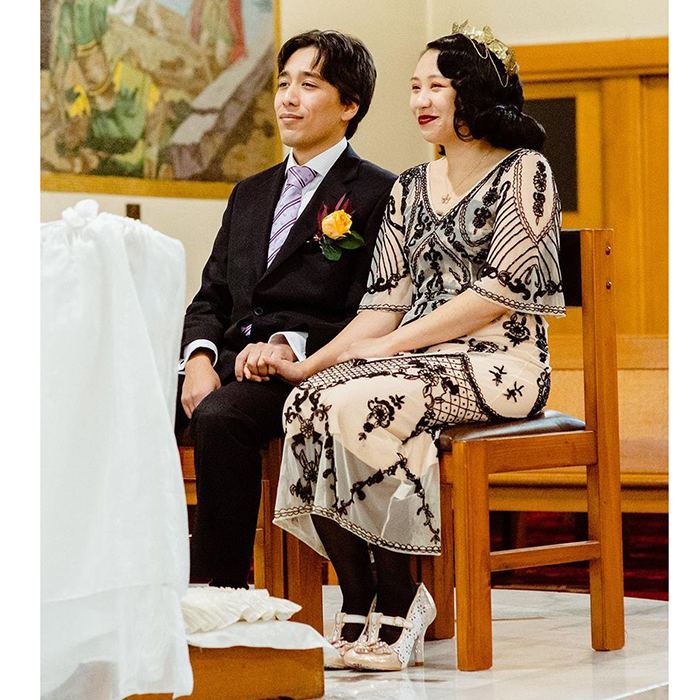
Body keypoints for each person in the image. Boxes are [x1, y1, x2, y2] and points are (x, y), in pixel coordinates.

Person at [267, 23, 566, 671]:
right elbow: (382, 302)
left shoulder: (526, 173)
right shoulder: (408, 186)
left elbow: (499, 292)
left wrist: (392, 348)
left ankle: (403, 600)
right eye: (414, 86)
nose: (420, 99)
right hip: (414, 361)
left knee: (375, 399)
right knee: (308, 403)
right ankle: (358, 594)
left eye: (438, 85)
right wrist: (314, 365)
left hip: (502, 364)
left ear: (475, 93)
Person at [178, 30, 395, 590]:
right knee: (121, 405)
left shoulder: (380, 193)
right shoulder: (249, 192)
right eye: (282, 84)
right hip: (227, 362)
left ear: (350, 106)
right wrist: (200, 359)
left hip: (314, 373)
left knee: (222, 417)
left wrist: (290, 349)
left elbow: (374, 306)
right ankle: (132, 582)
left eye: (309, 84)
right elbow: (211, 297)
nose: (287, 98)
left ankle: (217, 593)